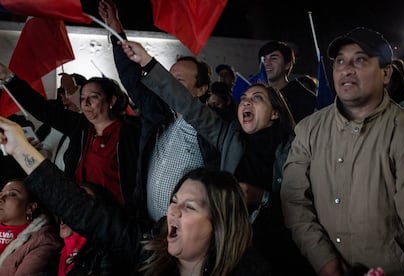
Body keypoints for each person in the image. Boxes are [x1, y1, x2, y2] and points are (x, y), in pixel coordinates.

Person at [120, 40, 315, 274]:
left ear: (275, 113)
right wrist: (147, 62)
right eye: (243, 98)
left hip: (275, 252)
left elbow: (302, 206)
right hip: (229, 249)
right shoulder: (227, 136)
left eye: (257, 98)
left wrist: (262, 197)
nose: (246, 101)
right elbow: (188, 106)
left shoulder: (294, 150)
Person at [0, 118, 273, 275]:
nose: (173, 212)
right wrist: (19, 148)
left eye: (189, 207)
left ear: (220, 222)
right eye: (174, 201)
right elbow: (85, 212)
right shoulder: (150, 249)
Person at [280, 26, 404, 275]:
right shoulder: (309, 129)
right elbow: (294, 201)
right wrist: (324, 261)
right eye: (340, 61)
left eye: (360, 60)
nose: (346, 69)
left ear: (386, 74)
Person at [99, 0, 220, 227]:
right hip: (149, 228)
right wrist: (116, 30)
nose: (168, 87)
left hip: (188, 233)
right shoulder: (158, 113)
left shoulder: (212, 129)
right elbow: (131, 76)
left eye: (178, 82)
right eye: (167, 80)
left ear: (202, 89)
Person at [0, 64, 141, 213]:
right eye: (82, 98)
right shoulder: (80, 127)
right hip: (78, 211)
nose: (85, 103)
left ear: (111, 100)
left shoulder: (130, 133)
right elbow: (42, 109)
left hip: (115, 217)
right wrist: (8, 78)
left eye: (93, 97)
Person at [58, 182, 126, 275]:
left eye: (80, 205)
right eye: (70, 203)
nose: (71, 210)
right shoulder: (55, 256)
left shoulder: (105, 255)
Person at [0, 178, 62, 275]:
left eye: (12, 194)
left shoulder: (43, 241)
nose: (1, 199)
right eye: (1, 194)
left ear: (30, 207)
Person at [258, 40, 316, 123]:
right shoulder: (257, 95)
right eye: (263, 59)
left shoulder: (303, 97)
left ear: (287, 65)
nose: (266, 63)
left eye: (273, 58)